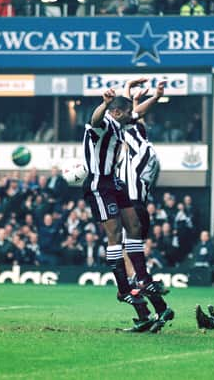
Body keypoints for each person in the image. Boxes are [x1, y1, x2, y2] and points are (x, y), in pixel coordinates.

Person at [82, 87, 165, 333]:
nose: (132, 115)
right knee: (115, 234)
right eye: (127, 112)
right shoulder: (104, 124)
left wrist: (156, 98)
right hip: (99, 183)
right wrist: (103, 104)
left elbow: (138, 111)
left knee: (135, 227)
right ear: (116, 111)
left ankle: (143, 279)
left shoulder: (122, 123)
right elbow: (95, 119)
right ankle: (124, 288)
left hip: (114, 182)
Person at [120, 77, 174, 332]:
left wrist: (131, 91)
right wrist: (147, 96)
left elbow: (130, 114)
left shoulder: (137, 150)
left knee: (125, 267)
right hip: (137, 205)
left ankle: (146, 308)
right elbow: (135, 114)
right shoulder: (138, 141)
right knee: (128, 264)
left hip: (132, 204)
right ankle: (156, 308)